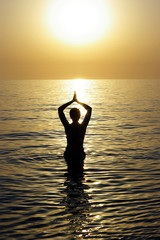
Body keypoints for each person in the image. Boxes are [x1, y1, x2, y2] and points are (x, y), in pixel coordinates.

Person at [58, 92, 92, 173]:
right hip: (79, 154)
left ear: (70, 116)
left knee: (70, 174)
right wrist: (77, 101)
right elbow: (89, 109)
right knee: (80, 175)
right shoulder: (82, 127)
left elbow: (60, 109)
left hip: (69, 154)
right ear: (80, 116)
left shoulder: (68, 126)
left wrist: (72, 101)